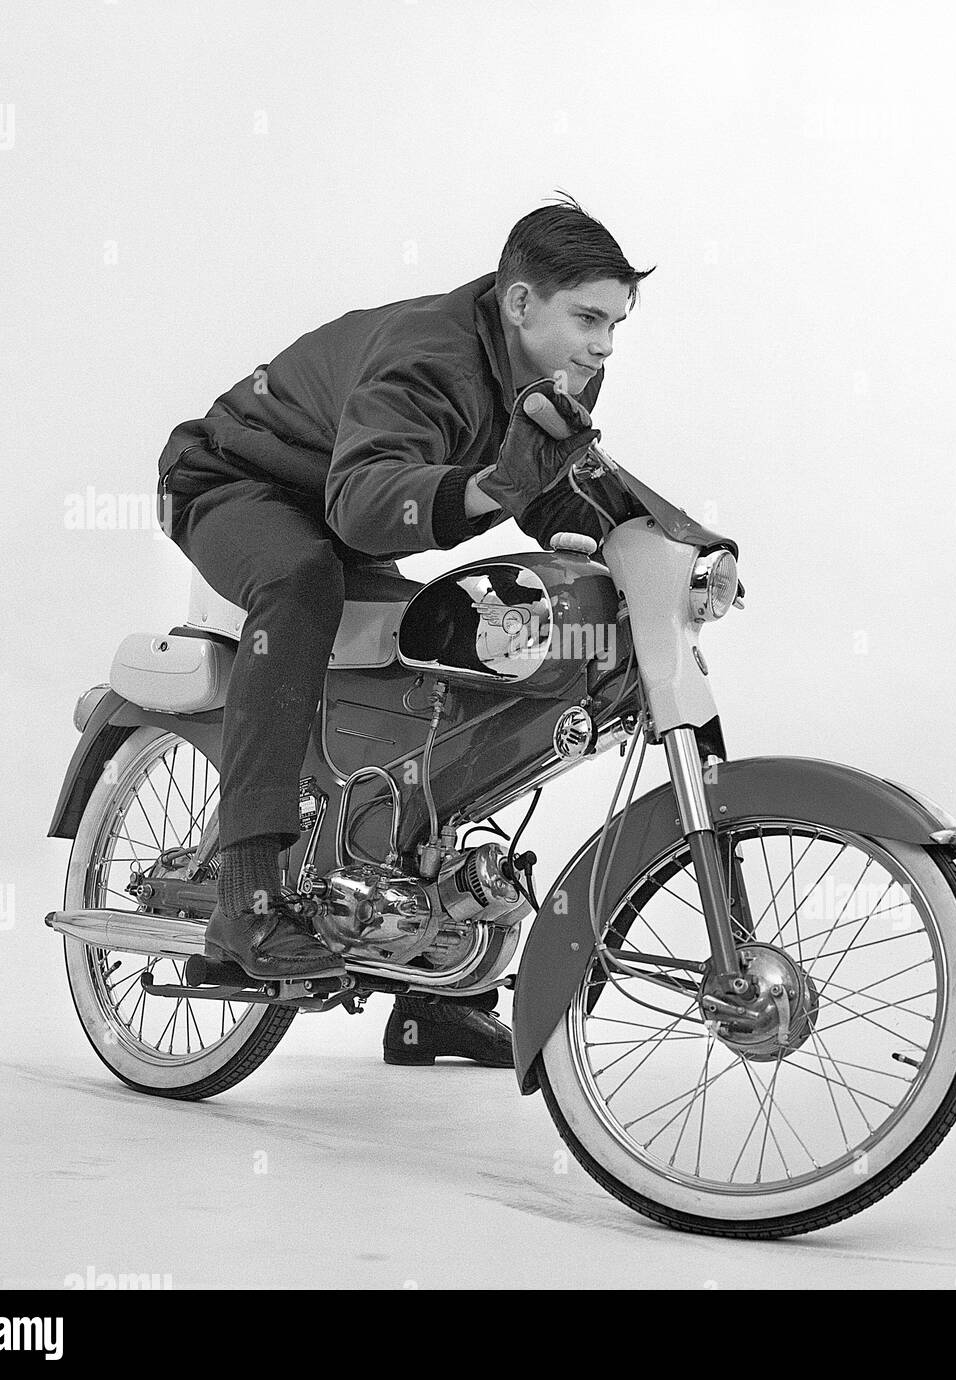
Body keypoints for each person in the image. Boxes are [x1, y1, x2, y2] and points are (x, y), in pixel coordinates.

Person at [155, 193, 654, 1066]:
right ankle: (244, 892)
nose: (604, 345)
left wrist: (678, 542)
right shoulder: (430, 355)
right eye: (589, 318)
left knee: (451, 657)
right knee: (299, 582)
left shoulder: (564, 365)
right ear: (519, 302)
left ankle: (432, 985)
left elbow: (559, 483)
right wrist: (500, 486)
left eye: (617, 322)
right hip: (240, 480)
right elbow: (364, 498)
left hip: (343, 509)